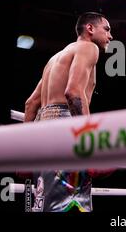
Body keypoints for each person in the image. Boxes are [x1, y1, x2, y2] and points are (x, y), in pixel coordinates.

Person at [23, 12, 113, 212]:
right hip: (66, 132)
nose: (110, 36)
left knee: (46, 204)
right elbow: (73, 93)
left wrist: (25, 150)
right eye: (106, 29)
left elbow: (31, 104)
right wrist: (89, 144)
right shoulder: (89, 48)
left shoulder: (55, 59)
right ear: (90, 28)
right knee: (70, 205)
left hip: (42, 132)